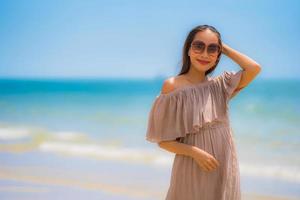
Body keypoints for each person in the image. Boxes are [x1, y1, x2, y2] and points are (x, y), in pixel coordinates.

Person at [145, 24, 261, 200]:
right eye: (199, 46)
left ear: (218, 55)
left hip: (224, 166)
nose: (205, 54)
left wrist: (224, 48)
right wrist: (196, 153)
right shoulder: (172, 87)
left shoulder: (220, 86)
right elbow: (163, 141)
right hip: (192, 166)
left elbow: (254, 68)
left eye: (212, 49)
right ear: (188, 50)